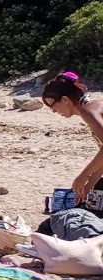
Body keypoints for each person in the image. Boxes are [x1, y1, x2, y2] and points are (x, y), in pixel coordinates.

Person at [43, 71, 103, 203]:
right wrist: (87, 187)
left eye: (52, 105)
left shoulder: (89, 112)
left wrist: (83, 176)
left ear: (65, 100)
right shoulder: (93, 107)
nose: (53, 111)